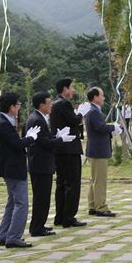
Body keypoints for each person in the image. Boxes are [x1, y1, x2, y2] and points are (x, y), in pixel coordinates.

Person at [0, 92, 40, 248]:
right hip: (13, 168)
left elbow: (15, 142)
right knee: (21, 204)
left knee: (12, 203)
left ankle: (4, 235)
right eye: (18, 105)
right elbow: (17, 144)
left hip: (11, 168)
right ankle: (13, 237)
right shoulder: (2, 123)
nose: (19, 108)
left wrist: (26, 138)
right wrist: (31, 138)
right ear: (11, 107)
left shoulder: (5, 121)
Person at [26, 92, 75, 237]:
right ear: (42, 105)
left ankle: (39, 224)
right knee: (41, 197)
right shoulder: (37, 120)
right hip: (40, 164)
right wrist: (60, 140)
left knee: (43, 197)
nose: (51, 106)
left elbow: (46, 138)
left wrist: (57, 136)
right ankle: (36, 227)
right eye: (49, 103)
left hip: (42, 164)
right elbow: (44, 143)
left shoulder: (39, 118)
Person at [50, 78, 91, 228]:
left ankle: (60, 216)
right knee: (72, 183)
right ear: (65, 89)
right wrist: (80, 114)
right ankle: (69, 216)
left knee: (61, 183)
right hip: (69, 148)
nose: (73, 90)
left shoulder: (54, 104)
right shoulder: (64, 103)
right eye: (71, 88)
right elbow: (73, 121)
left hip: (59, 149)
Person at [85, 87, 120, 217]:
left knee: (94, 179)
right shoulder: (93, 111)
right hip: (98, 150)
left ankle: (93, 204)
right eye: (102, 95)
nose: (103, 98)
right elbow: (100, 127)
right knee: (100, 179)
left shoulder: (94, 111)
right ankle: (101, 206)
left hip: (95, 149)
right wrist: (113, 127)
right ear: (95, 97)